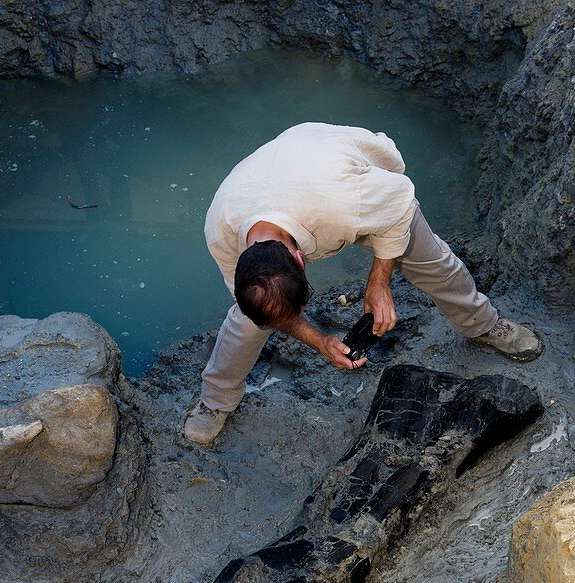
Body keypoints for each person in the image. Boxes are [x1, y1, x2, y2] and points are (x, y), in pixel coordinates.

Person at [183, 123, 541, 446]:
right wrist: (321, 341)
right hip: (282, 177)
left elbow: (400, 200)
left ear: (300, 258)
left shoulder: (344, 203)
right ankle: (215, 400)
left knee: (432, 263)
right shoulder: (223, 233)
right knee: (249, 319)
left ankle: (484, 324)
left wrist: (379, 283)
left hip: (355, 174)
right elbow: (267, 311)